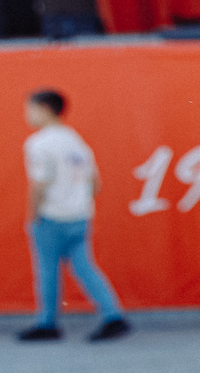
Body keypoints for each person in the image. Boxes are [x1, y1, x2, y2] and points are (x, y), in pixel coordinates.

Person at [16, 89, 130, 343]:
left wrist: (32, 216)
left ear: (44, 109)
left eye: (30, 109)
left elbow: (39, 184)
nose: (27, 115)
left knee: (47, 271)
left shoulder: (38, 143)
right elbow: (96, 184)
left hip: (51, 217)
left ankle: (48, 323)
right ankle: (113, 316)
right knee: (85, 267)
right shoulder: (76, 141)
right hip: (80, 216)